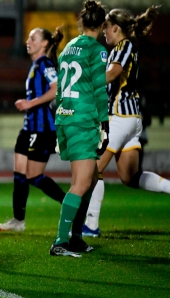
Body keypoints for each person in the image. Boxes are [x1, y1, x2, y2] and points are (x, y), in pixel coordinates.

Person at [83, 5, 169, 237]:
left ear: (116, 28)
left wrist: (85, 85)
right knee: (129, 177)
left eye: (106, 29)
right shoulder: (124, 47)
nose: (104, 33)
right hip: (132, 119)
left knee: (93, 169)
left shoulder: (124, 46)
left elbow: (112, 73)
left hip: (120, 117)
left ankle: (90, 225)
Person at [49, 0, 109, 258]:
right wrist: (104, 122)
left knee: (90, 179)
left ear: (82, 23)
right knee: (82, 183)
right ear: (102, 25)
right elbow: (99, 89)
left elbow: (61, 89)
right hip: (84, 120)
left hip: (66, 118)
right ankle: (61, 242)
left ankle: (75, 237)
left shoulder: (68, 48)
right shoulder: (97, 50)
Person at [0, 27, 66, 232]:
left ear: (44, 44)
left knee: (34, 176)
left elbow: (57, 88)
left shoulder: (44, 64)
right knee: (19, 173)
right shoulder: (36, 65)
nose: (28, 41)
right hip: (29, 128)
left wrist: (30, 103)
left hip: (42, 129)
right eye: (28, 37)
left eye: (33, 38)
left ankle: (72, 205)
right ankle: (18, 221)